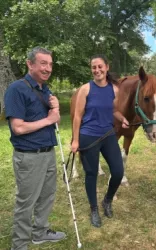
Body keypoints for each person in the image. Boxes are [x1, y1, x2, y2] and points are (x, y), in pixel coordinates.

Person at [4, 47, 66, 250]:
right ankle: (19, 244)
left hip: (47, 153)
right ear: (30, 64)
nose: (48, 68)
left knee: (47, 196)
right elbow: (18, 127)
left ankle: (40, 232)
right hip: (29, 157)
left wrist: (55, 108)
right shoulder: (17, 89)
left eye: (50, 64)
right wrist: (49, 119)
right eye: (43, 63)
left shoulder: (44, 89)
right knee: (26, 202)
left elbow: (51, 118)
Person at [71, 54, 129, 228]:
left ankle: (107, 200)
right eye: (94, 67)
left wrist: (122, 118)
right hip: (88, 136)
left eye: (99, 67)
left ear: (107, 67)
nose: (97, 70)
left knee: (118, 172)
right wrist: (75, 140)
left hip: (108, 135)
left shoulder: (114, 89)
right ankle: (94, 208)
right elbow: (77, 116)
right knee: (91, 174)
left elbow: (113, 111)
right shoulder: (85, 89)